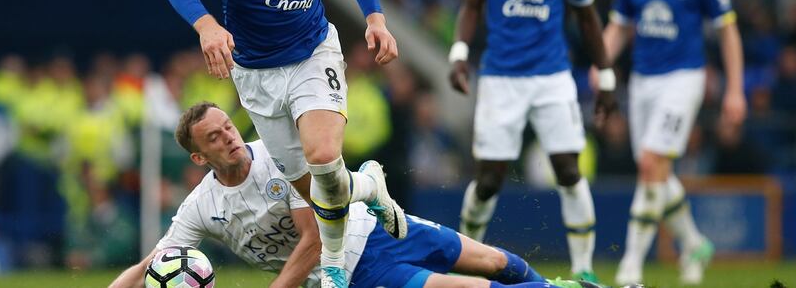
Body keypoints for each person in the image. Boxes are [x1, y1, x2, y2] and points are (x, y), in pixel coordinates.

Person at [159, 0, 405, 286]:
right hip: (254, 74)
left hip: (313, 52)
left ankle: (331, 266)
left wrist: (375, 17)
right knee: (319, 190)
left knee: (324, 155)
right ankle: (368, 184)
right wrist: (207, 26)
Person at [108, 102, 611, 288]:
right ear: (199, 159)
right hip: (359, 270)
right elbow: (158, 259)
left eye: (227, 126)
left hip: (381, 225)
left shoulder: (279, 158)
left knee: (497, 262)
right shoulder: (203, 207)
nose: (228, 136)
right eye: (213, 138)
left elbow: (308, 240)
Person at [449, 0, 616, 283]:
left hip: (552, 77)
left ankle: (583, 271)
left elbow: (587, 18)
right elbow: (472, 7)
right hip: (501, 77)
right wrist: (459, 53)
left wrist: (607, 75)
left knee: (569, 170)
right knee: (488, 180)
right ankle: (464, 258)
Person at [603, 0, 746, 286]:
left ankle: (630, 268)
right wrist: (602, 64)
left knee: (651, 164)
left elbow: (728, 32)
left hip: (684, 79)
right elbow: (619, 26)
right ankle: (696, 242)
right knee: (658, 174)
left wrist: (735, 89)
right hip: (643, 82)